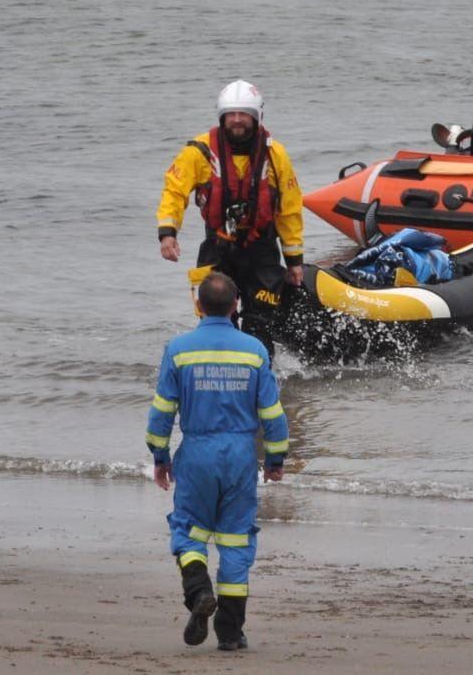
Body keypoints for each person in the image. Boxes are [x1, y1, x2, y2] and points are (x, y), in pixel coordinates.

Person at [146, 272, 289, 652]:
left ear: (199, 305)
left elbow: (161, 412)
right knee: (236, 541)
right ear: (236, 304)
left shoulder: (178, 349)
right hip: (241, 456)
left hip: (196, 453)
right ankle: (230, 632)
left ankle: (198, 592)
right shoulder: (255, 350)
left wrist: (159, 456)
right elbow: (273, 414)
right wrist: (276, 457)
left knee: (188, 531)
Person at [157, 80, 304, 352]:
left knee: (260, 323)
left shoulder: (275, 155)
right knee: (214, 322)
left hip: (262, 252)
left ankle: (261, 379)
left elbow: (290, 209)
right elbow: (174, 192)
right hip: (218, 248)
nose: (237, 120)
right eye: (231, 114)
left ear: (257, 116)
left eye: (244, 114)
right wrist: (168, 233)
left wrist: (294, 261)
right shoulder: (198, 152)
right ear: (222, 116)